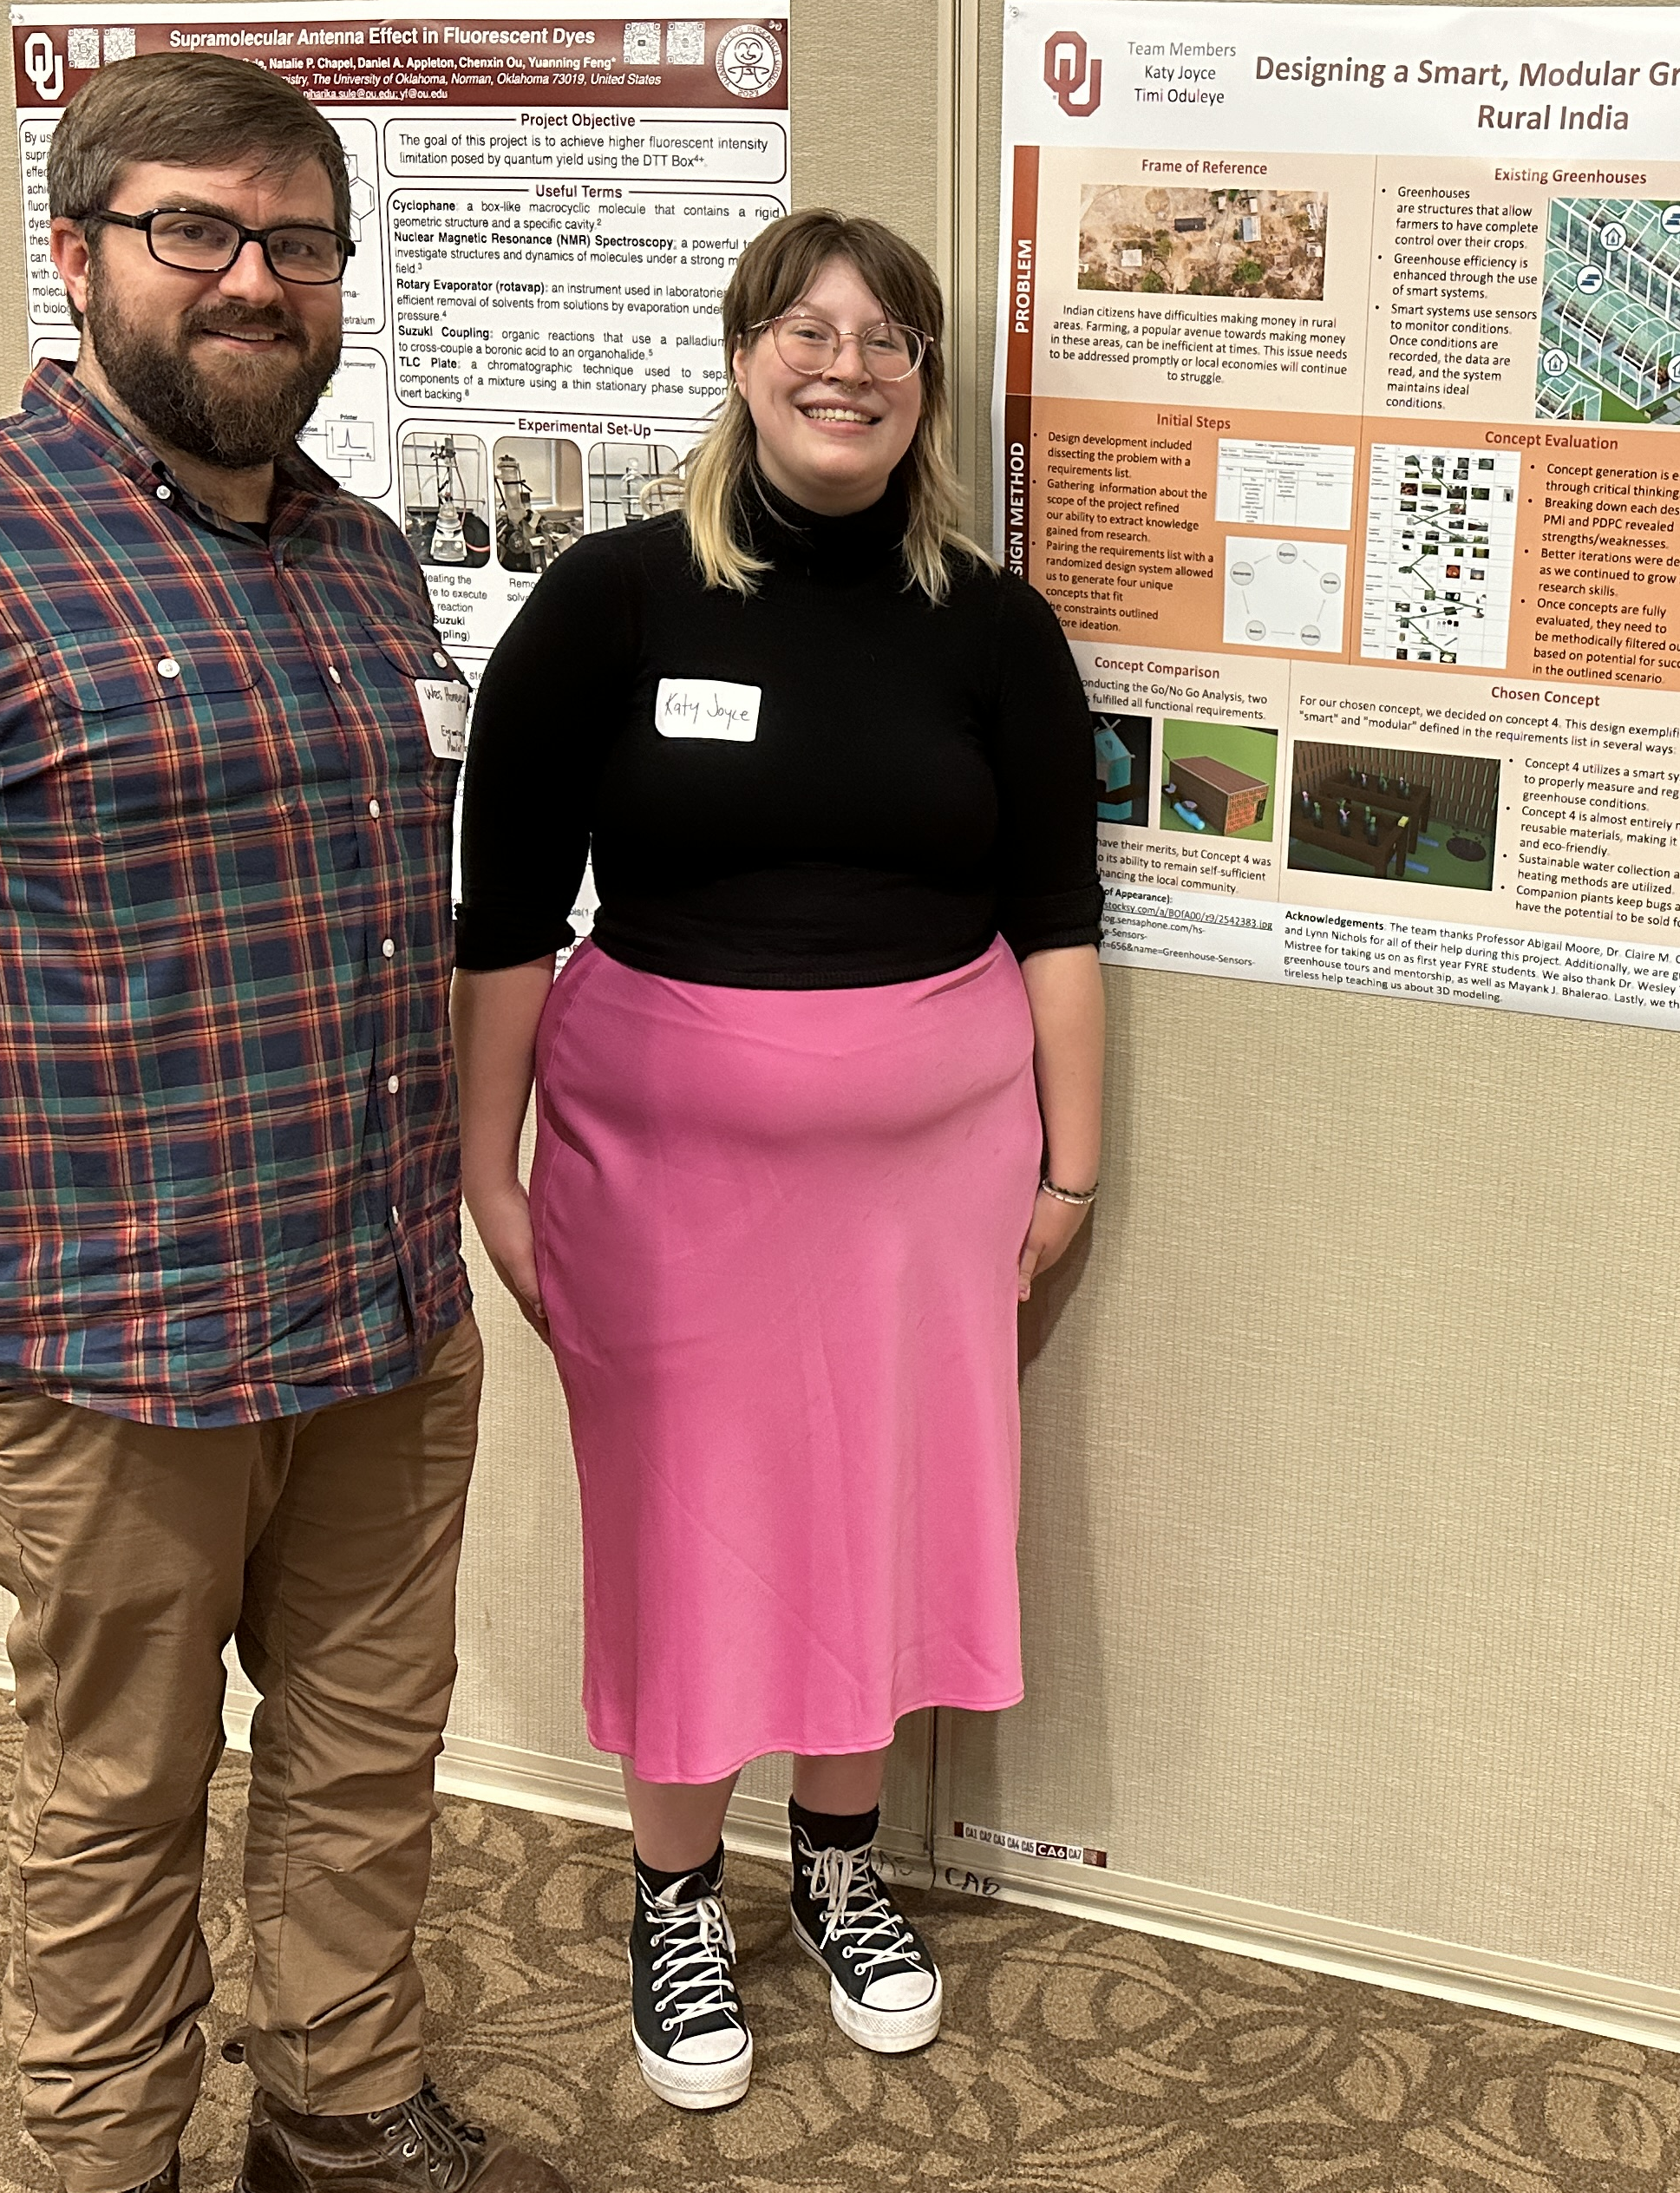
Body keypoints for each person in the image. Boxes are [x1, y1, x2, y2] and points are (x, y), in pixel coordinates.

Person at [0, 52, 565, 2193]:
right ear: (77, 251)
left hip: (375, 1304)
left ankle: (339, 2114)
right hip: (103, 1339)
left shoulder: (365, 560)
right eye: (194, 229)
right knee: (116, 1798)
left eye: (297, 241)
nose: (253, 279)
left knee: (368, 1759)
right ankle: (105, 2162)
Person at [452, 208, 1105, 2112]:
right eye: (808, 330)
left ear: (924, 380)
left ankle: (836, 1865)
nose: (849, 365)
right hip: (660, 1184)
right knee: (689, 1523)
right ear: (743, 358)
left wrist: (1071, 1172)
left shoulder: (993, 627)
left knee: (880, 1508)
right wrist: (487, 1170)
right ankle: (673, 1891)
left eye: (889, 335)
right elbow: (506, 916)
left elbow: (1057, 919)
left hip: (930, 1189)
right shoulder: (613, 600)